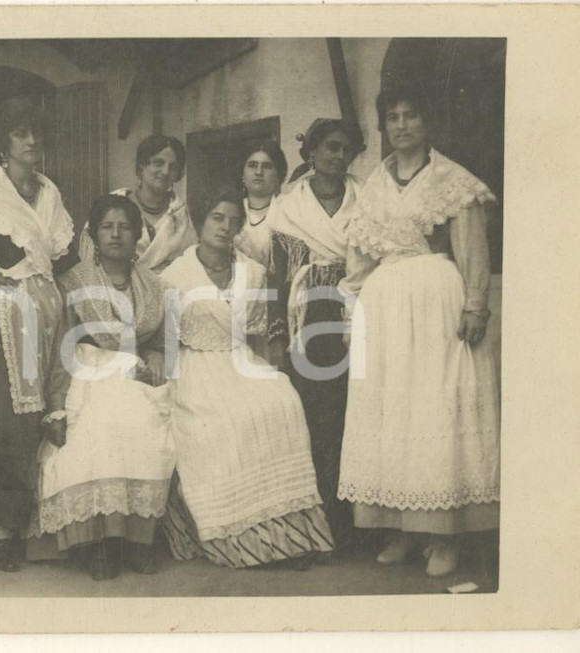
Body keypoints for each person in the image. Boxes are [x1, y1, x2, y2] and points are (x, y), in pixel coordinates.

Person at [337, 84, 500, 577]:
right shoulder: (372, 187)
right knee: (392, 413)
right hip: (383, 309)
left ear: (427, 123)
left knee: (434, 406)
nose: (402, 125)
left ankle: (445, 536)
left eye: (411, 115)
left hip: (436, 303)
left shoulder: (452, 180)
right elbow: (358, 261)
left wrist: (476, 306)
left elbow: (472, 248)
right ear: (384, 126)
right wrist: (351, 314)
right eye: (393, 117)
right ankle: (400, 530)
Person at [159, 187, 333, 569]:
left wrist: (270, 371)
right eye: (217, 218)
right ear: (201, 222)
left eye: (233, 221)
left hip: (240, 358)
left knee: (281, 401)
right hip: (195, 365)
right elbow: (167, 342)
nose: (225, 227)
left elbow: (257, 335)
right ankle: (242, 537)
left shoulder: (252, 272)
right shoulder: (174, 277)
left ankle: (290, 535)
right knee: (225, 421)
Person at [26, 194, 176, 580]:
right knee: (102, 429)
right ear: (93, 235)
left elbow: (162, 343)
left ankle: (138, 542)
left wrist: (155, 357)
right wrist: (56, 405)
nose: (116, 234)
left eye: (124, 227)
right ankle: (102, 544)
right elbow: (62, 348)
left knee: (147, 426)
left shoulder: (153, 286)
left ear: (137, 235)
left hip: (135, 372)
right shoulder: (73, 283)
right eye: (107, 227)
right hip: (86, 372)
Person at [0, 98, 79, 572]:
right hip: (3, 315)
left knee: (44, 417)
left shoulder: (49, 192)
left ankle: (32, 524)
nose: (31, 141)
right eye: (20, 133)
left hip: (49, 311)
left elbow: (61, 258)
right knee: (5, 422)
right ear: (3, 142)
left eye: (36, 133)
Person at [266, 118, 365, 547]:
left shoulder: (367, 199)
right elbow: (276, 276)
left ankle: (353, 525)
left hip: (356, 310)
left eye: (346, 149)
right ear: (311, 152)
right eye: (330, 147)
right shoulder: (288, 207)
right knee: (312, 416)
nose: (339, 156)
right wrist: (275, 334)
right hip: (306, 316)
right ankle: (316, 526)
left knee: (352, 412)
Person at [80, 135, 196, 273]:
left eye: (173, 166)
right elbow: (90, 267)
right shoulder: (108, 208)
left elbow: (189, 269)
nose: (166, 171)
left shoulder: (184, 218)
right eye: (158, 163)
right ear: (142, 167)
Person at [233, 140, 290, 367]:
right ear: (242, 174)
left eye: (267, 166)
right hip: (239, 303)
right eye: (252, 165)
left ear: (278, 175)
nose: (259, 172)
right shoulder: (230, 209)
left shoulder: (288, 209)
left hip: (278, 302)